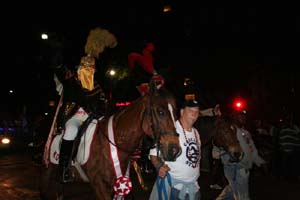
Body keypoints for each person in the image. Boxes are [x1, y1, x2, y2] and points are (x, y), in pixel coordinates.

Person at [49, 27, 117, 183]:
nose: (88, 70)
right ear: (80, 68)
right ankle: (64, 167)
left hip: (92, 118)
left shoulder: (97, 86)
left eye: (91, 68)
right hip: (74, 116)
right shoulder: (71, 81)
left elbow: (103, 104)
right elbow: (59, 67)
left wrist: (101, 111)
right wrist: (56, 51)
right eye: (86, 68)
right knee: (71, 131)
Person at [149, 100, 221, 200]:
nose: (194, 113)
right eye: (191, 110)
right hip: (174, 188)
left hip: (194, 188)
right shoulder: (171, 130)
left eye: (196, 111)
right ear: (182, 112)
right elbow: (153, 154)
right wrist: (159, 167)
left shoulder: (196, 132)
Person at [214, 110, 266, 200]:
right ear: (234, 118)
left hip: (244, 165)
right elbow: (217, 146)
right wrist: (220, 154)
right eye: (240, 116)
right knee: (242, 195)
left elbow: (251, 149)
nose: (243, 118)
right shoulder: (228, 130)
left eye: (244, 116)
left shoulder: (245, 133)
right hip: (235, 167)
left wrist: (259, 161)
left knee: (231, 191)